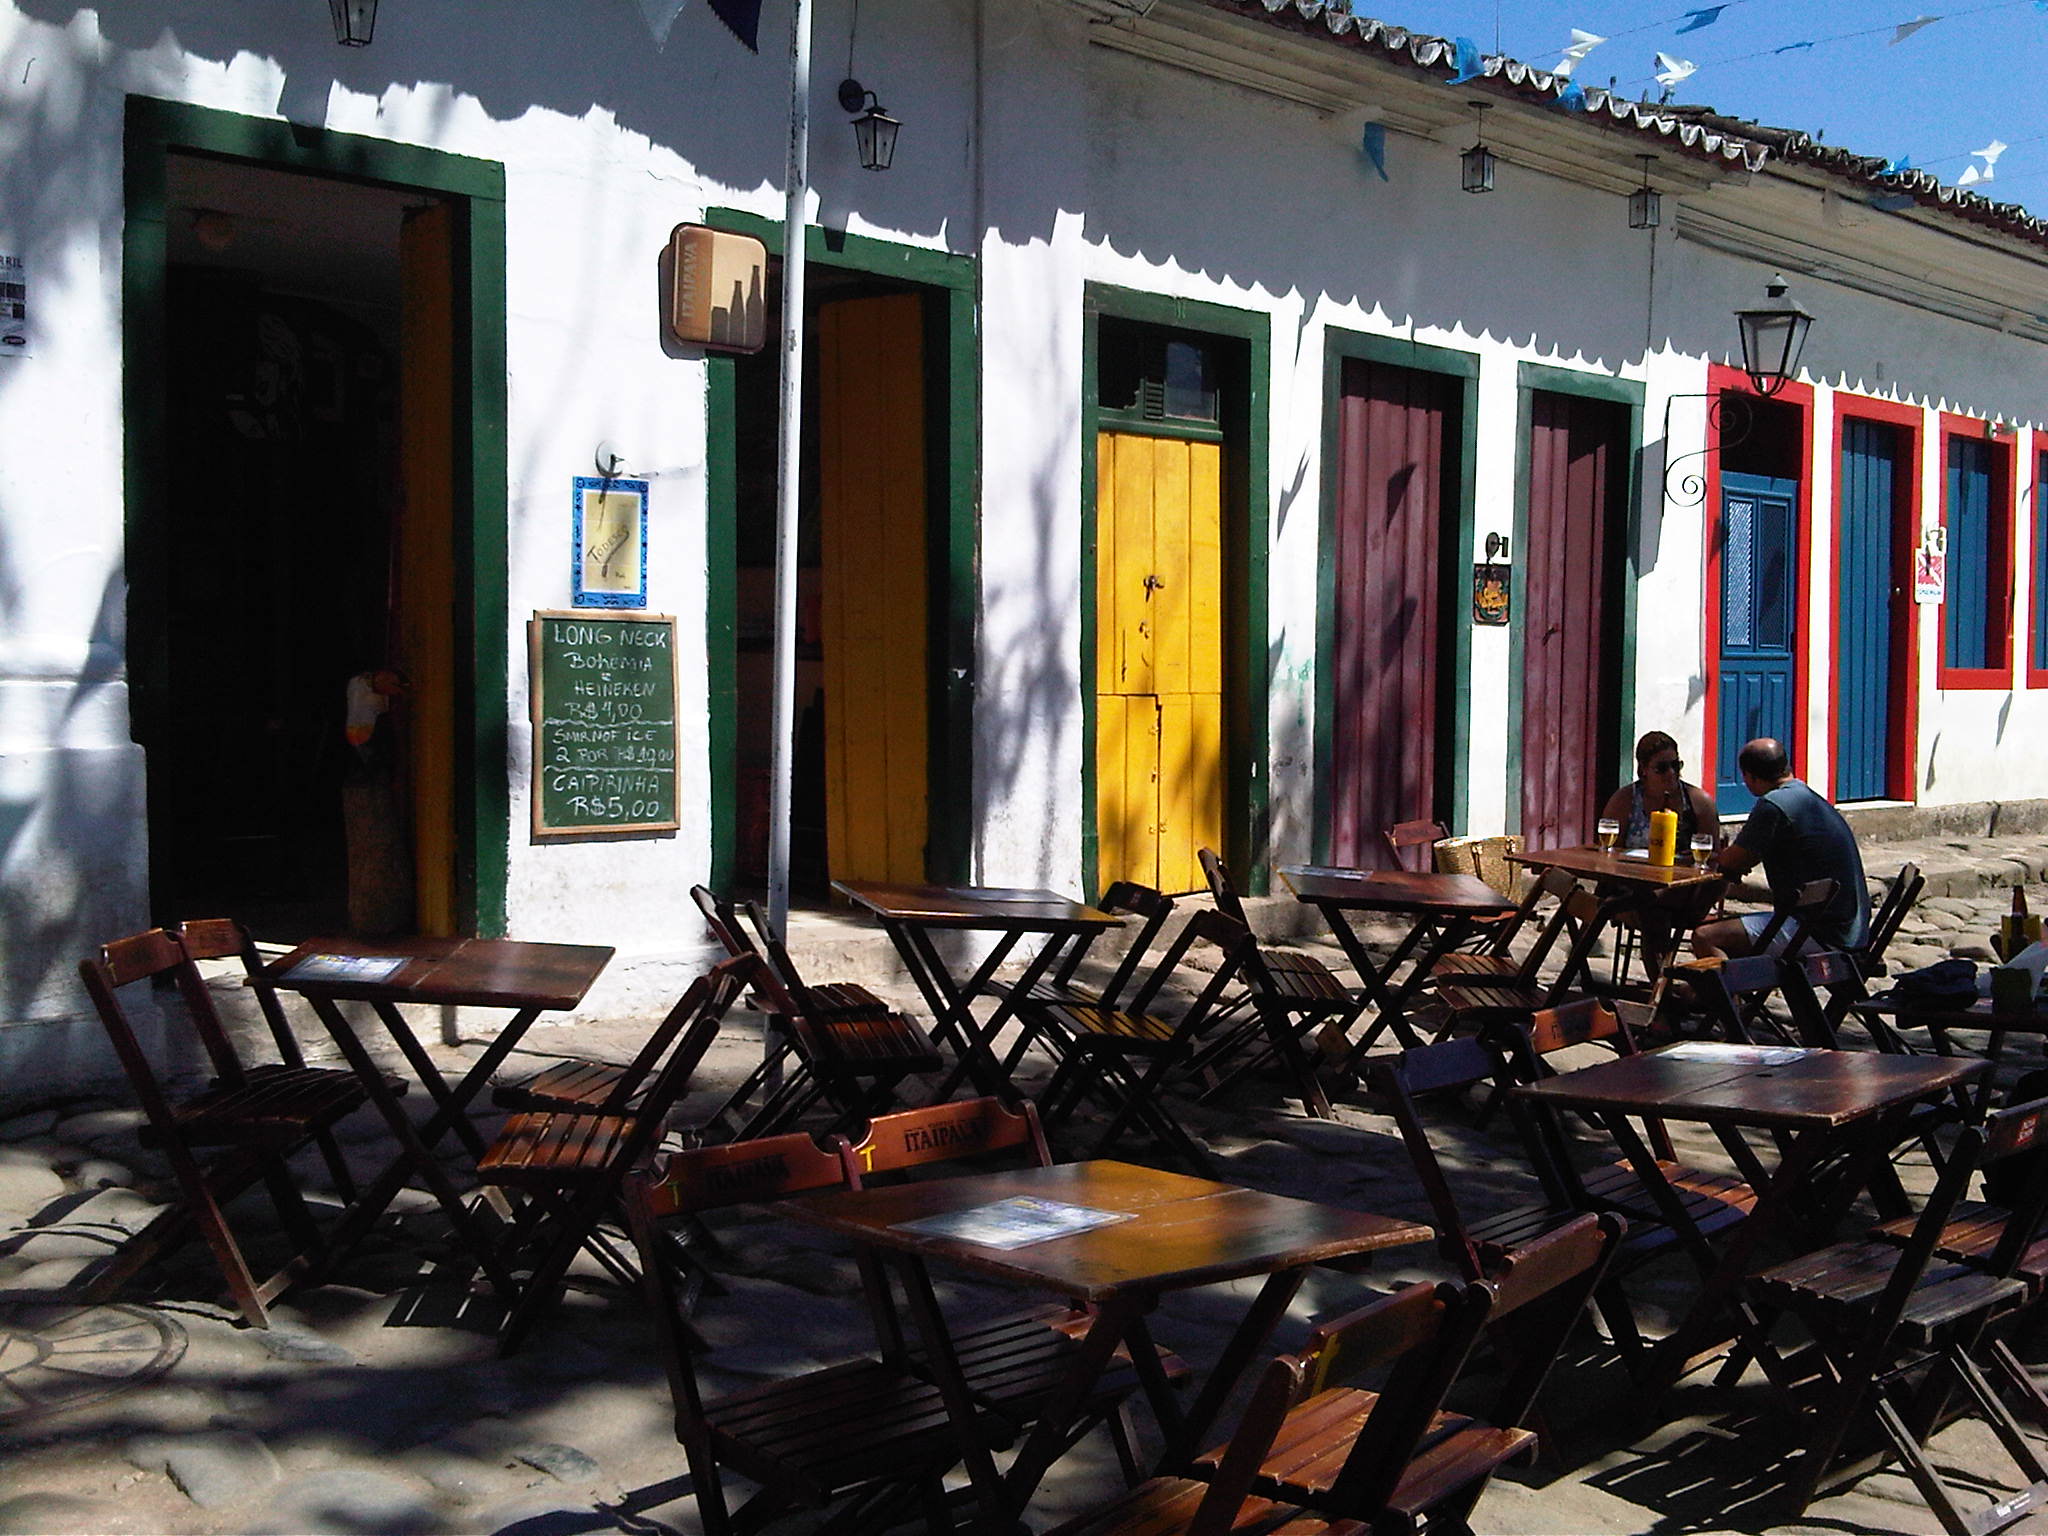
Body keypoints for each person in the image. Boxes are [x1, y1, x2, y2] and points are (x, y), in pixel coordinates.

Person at [1694, 737, 1868, 959]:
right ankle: (1730, 988)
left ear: (1751, 776)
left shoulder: (1774, 805)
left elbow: (1733, 861)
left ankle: (1724, 992)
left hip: (1817, 931)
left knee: (1706, 937)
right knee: (1739, 936)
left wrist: (1723, 857)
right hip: (1848, 927)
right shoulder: (1806, 795)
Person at [1599, 730, 1720, 851]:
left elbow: (1712, 855)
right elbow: (1610, 851)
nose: (1671, 773)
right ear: (1644, 769)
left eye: (1675, 765)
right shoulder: (1624, 800)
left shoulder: (1699, 802)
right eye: (1662, 768)